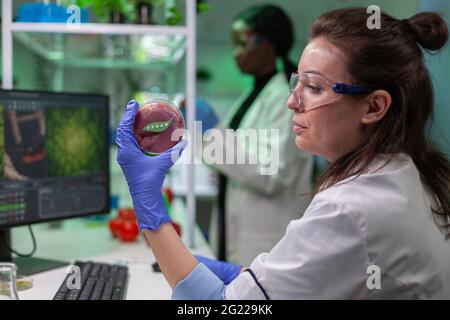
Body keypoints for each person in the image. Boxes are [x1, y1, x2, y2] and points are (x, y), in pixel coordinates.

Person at [116, 8, 450, 299]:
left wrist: (147, 202)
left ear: (374, 106)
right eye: (298, 83)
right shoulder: (403, 173)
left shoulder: (350, 210)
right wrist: (240, 276)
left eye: (314, 87)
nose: (293, 101)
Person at [206, 4, 313, 264]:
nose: (235, 53)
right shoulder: (252, 94)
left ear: (269, 44)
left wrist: (212, 142)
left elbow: (272, 173)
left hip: (265, 240)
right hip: (235, 228)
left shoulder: (282, 99)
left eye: (242, 43)